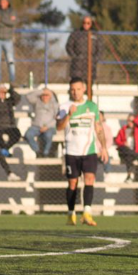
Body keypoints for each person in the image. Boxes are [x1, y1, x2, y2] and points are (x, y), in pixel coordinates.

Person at [57, 77, 109, 226]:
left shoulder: (92, 106)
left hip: (89, 151)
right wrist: (69, 115)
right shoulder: (64, 106)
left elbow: (98, 128)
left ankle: (87, 212)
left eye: (78, 89)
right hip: (71, 151)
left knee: (90, 179)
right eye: (73, 89)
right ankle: (70, 213)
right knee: (73, 183)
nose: (75, 92)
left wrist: (103, 147)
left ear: (84, 89)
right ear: (70, 90)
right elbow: (59, 127)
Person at [65, 15, 102, 85]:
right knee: (75, 85)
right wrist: (76, 57)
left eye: (88, 23)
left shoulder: (96, 35)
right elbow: (69, 46)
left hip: (91, 66)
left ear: (91, 24)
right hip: (77, 66)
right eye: (84, 22)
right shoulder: (75, 33)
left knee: (89, 88)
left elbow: (100, 49)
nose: (86, 25)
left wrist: (94, 59)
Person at [0, 84, 21, 157]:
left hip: (9, 126)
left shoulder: (9, 102)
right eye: (0, 92)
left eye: (4, 93)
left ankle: (4, 149)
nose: (2, 94)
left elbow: (18, 97)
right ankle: (5, 151)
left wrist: (9, 90)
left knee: (17, 134)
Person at [24, 87, 59, 158]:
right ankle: (38, 151)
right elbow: (28, 96)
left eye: (47, 95)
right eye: (43, 95)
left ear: (50, 96)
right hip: (36, 127)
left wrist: (47, 126)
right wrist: (41, 91)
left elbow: (56, 118)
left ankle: (46, 153)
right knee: (28, 135)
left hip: (49, 127)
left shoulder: (54, 104)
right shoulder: (37, 102)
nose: (45, 97)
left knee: (48, 135)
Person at [0, 0, 17, 85]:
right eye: (1, 1)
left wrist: (1, 19)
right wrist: (7, 21)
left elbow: (13, 23)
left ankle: (12, 81)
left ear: (8, 2)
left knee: (11, 62)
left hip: (8, 39)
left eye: (4, 2)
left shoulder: (12, 11)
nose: (2, 3)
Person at [114, 114, 138, 182]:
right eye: (129, 120)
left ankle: (129, 176)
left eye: (132, 121)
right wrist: (124, 143)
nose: (130, 122)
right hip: (124, 151)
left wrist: (136, 122)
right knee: (125, 149)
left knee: (129, 157)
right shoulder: (123, 129)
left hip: (131, 153)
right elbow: (117, 140)